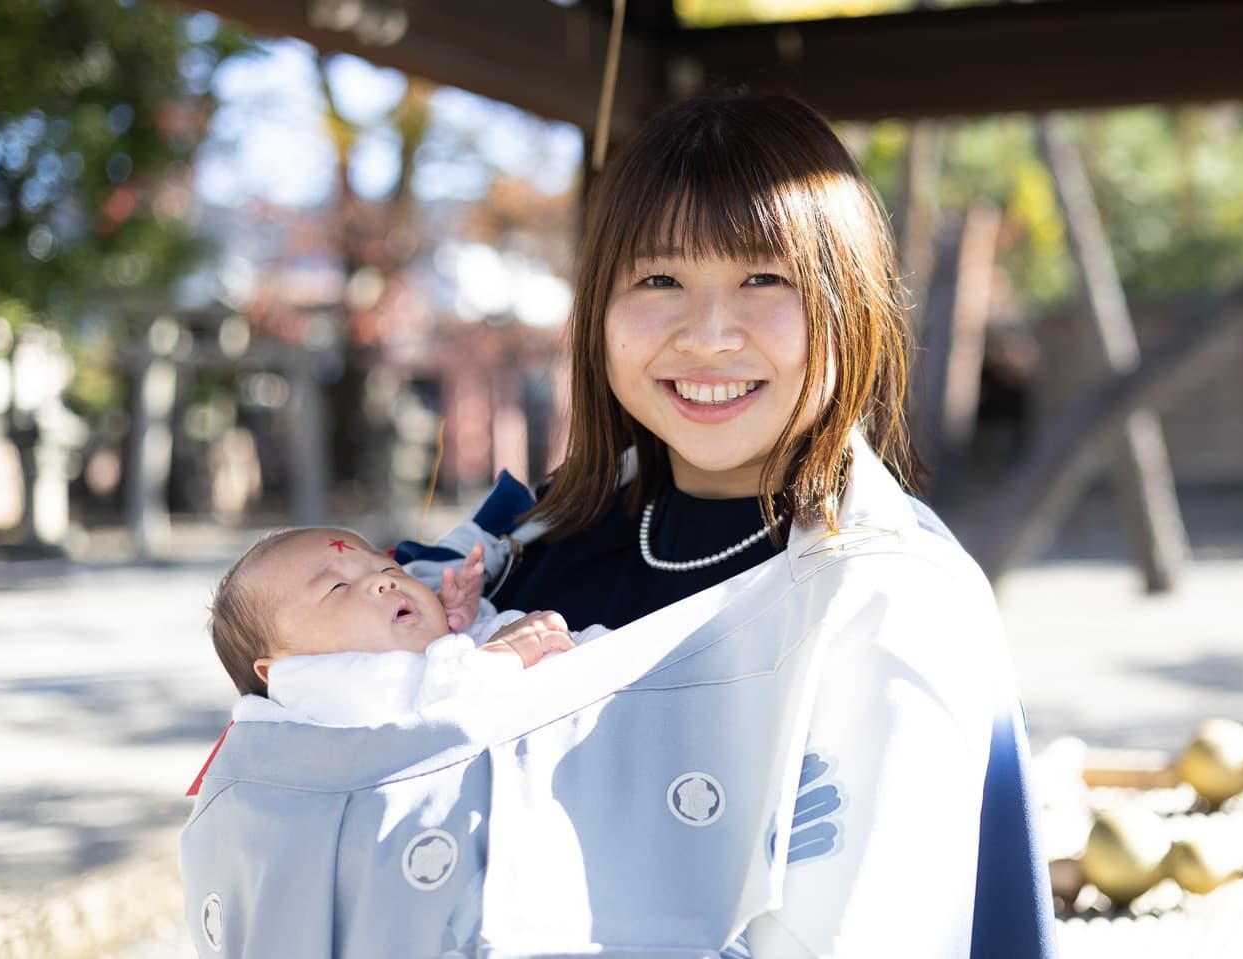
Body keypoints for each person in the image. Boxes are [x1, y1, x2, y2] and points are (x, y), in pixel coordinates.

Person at [181, 94, 1055, 959]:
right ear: (599, 307)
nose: (708, 336)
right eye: (659, 280)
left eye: (764, 278)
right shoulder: (516, 561)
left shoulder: (888, 600)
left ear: (849, 302)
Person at [206, 528, 584, 726]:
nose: (383, 581)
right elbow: (442, 714)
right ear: (281, 670)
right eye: (337, 587)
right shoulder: (328, 692)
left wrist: (460, 622)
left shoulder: (414, 658)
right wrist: (502, 654)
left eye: (389, 568)